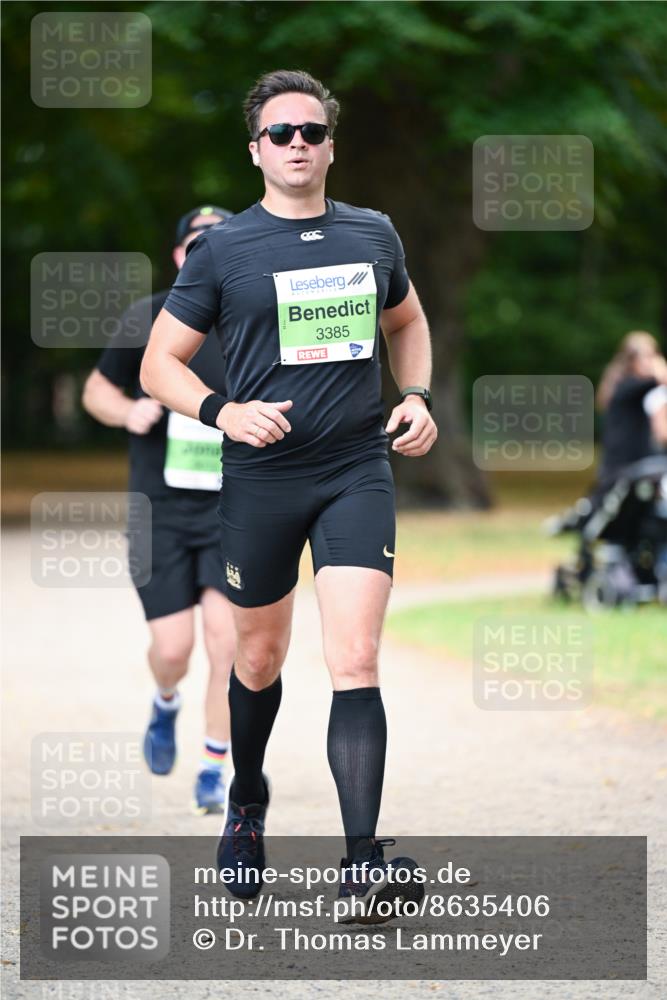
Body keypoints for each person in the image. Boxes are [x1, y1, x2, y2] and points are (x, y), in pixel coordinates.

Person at [141, 70, 437, 921]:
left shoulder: (372, 233)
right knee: (257, 658)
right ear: (256, 151)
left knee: (355, 658)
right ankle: (245, 803)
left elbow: (406, 322)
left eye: (311, 131)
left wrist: (414, 397)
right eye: (280, 133)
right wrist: (222, 411)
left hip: (354, 469)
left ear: (330, 145)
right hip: (263, 479)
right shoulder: (225, 249)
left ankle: (361, 867)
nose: (297, 143)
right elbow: (159, 364)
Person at [82, 206, 236, 814]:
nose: (208, 250)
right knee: (174, 649)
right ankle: (166, 700)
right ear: (178, 255)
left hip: (233, 511)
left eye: (220, 242)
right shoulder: (149, 317)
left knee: (227, 643)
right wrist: (129, 411)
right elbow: (97, 389)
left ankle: (214, 768)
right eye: (196, 243)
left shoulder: (253, 322)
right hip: (160, 512)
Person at [596, 330, 667, 487]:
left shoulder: (627, 385)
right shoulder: (628, 385)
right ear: (632, 360)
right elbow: (661, 379)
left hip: (634, 465)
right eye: (648, 356)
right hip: (622, 467)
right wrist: (661, 369)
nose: (652, 362)